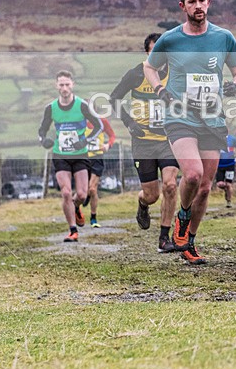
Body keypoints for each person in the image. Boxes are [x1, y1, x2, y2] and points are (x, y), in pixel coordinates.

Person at [144, 0, 236, 265]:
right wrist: (159, 89)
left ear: (209, 2)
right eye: (192, 2)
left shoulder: (224, 37)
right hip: (180, 116)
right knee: (191, 175)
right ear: (183, 6)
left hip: (212, 119)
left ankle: (188, 240)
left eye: (202, 0)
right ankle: (182, 218)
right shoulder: (171, 39)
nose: (198, 6)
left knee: (204, 186)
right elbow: (149, 67)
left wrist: (235, 86)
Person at [109, 33, 182, 253]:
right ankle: (142, 204)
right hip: (143, 142)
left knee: (170, 185)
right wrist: (129, 123)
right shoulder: (136, 74)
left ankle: (163, 238)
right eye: (154, 52)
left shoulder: (176, 74)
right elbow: (114, 98)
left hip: (169, 140)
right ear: (147, 53)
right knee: (152, 195)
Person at [38, 70, 103, 242]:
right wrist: (43, 140)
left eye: (67, 84)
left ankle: (76, 207)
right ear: (56, 86)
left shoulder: (82, 105)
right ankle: (73, 230)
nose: (64, 88)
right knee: (66, 192)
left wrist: (85, 141)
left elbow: (99, 126)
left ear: (72, 85)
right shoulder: (50, 108)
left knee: (82, 195)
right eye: (61, 84)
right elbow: (42, 130)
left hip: (80, 155)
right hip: (60, 155)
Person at [83, 117, 116, 227]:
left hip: (97, 158)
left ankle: (93, 218)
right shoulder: (78, 122)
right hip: (82, 159)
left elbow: (112, 135)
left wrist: (108, 145)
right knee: (83, 191)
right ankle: (79, 206)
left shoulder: (102, 121)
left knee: (92, 188)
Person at [216, 133, 236, 208]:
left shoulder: (232, 138)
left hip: (230, 164)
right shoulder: (215, 138)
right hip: (219, 165)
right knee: (220, 184)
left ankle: (229, 202)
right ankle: (226, 190)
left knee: (229, 184)